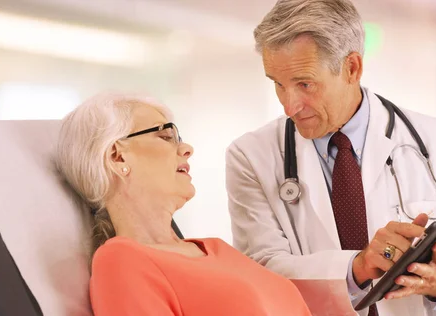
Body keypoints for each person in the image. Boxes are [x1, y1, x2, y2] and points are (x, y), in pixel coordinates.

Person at [225, 1, 436, 315]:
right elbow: (261, 272)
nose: (289, 107)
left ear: (352, 68)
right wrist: (357, 268)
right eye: (277, 84)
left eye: (305, 84)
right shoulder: (249, 156)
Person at [55, 92, 312, 316]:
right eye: (166, 136)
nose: (186, 148)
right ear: (117, 155)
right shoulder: (120, 261)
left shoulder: (216, 248)